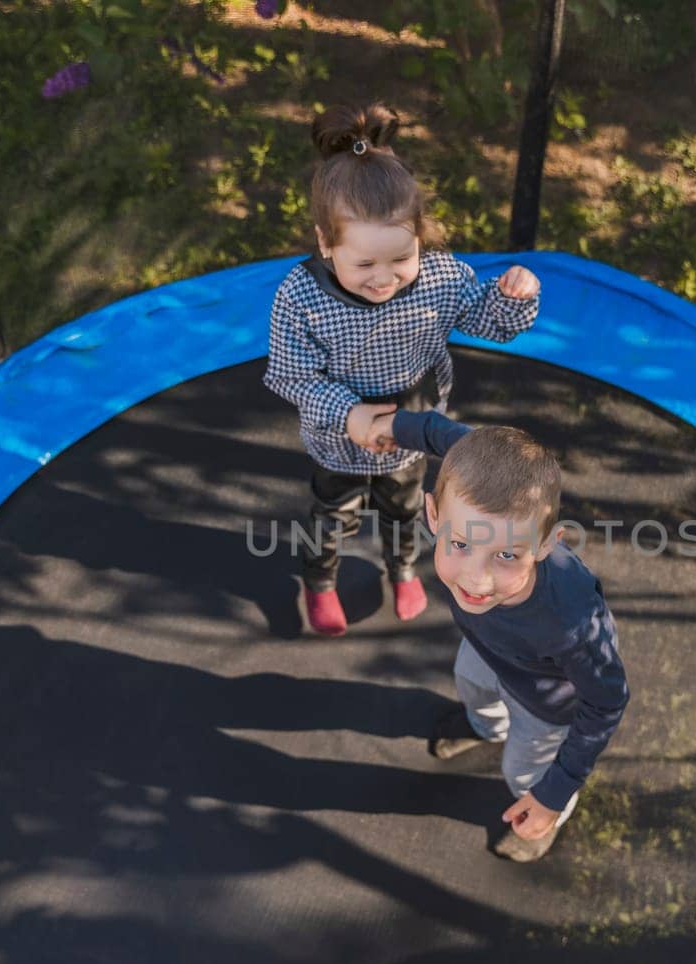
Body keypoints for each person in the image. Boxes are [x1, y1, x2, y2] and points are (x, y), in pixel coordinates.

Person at [264, 102, 540, 636]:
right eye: (364, 264)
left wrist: (514, 297)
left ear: (419, 234)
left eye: (400, 258)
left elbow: (490, 321)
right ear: (326, 243)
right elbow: (292, 376)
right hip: (338, 431)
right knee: (332, 516)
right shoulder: (301, 297)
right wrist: (350, 416)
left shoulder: (440, 277)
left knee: (406, 507)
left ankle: (403, 568)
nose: (384, 278)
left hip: (414, 421)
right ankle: (318, 581)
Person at [353, 402, 629, 862]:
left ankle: (544, 818)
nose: (476, 581)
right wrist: (392, 426)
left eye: (506, 556)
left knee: (523, 772)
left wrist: (554, 793)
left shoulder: (572, 621)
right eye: (459, 545)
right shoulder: (471, 480)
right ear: (434, 514)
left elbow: (606, 702)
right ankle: (486, 726)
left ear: (545, 544)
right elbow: (446, 435)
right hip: (490, 647)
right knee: (473, 685)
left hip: (548, 701)